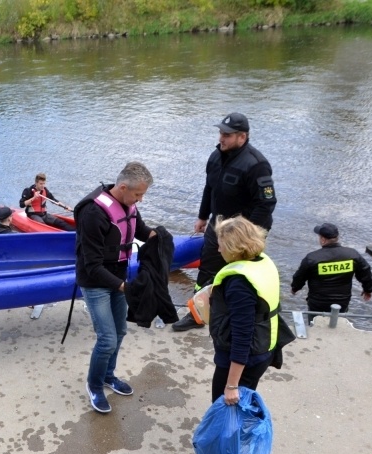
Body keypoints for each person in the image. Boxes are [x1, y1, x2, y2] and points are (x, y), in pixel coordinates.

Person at [199, 215, 280, 454]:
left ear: (233, 247)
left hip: (242, 357)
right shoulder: (262, 262)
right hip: (264, 349)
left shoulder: (238, 282)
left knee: (229, 415)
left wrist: (231, 385)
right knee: (245, 407)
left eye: (221, 242)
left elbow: (242, 336)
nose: (218, 248)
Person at [173, 112, 276, 332]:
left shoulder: (256, 165)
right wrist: (202, 216)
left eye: (227, 135)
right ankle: (197, 315)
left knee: (242, 274)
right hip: (218, 224)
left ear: (242, 137)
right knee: (207, 269)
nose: (222, 138)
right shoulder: (215, 156)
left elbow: (266, 204)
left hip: (246, 230)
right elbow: (209, 188)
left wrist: (246, 235)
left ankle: (243, 316)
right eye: (221, 133)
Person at [75, 161, 156, 413]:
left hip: (119, 278)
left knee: (120, 332)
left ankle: (108, 376)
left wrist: (159, 237)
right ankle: (94, 385)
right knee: (107, 339)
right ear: (122, 187)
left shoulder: (128, 204)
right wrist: (123, 287)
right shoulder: (93, 213)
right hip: (95, 282)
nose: (140, 199)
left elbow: (139, 229)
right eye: (138, 194)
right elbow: (92, 265)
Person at [291, 222, 372, 316]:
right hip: (342, 303)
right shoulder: (352, 255)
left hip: (317, 303)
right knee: (339, 320)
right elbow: (366, 272)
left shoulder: (312, 258)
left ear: (323, 240)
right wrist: (368, 290)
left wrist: (295, 288)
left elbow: (299, 277)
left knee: (315, 322)